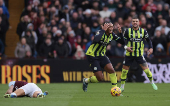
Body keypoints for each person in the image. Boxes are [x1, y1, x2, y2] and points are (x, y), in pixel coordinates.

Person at [83, 22, 132, 92]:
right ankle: (86, 81)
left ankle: (115, 89)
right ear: (105, 27)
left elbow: (123, 42)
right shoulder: (100, 32)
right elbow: (96, 40)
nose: (112, 28)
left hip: (102, 55)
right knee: (100, 78)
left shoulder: (112, 35)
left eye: (112, 26)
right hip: (92, 55)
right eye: (109, 26)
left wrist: (120, 33)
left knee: (112, 70)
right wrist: (103, 30)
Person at [120, 16, 158, 92]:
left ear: (139, 22)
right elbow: (122, 41)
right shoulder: (128, 31)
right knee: (124, 71)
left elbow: (149, 40)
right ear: (132, 23)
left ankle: (152, 83)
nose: (135, 23)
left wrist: (151, 48)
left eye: (136, 21)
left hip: (139, 55)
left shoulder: (143, 31)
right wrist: (126, 47)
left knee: (147, 71)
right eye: (133, 21)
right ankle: (122, 87)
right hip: (129, 54)